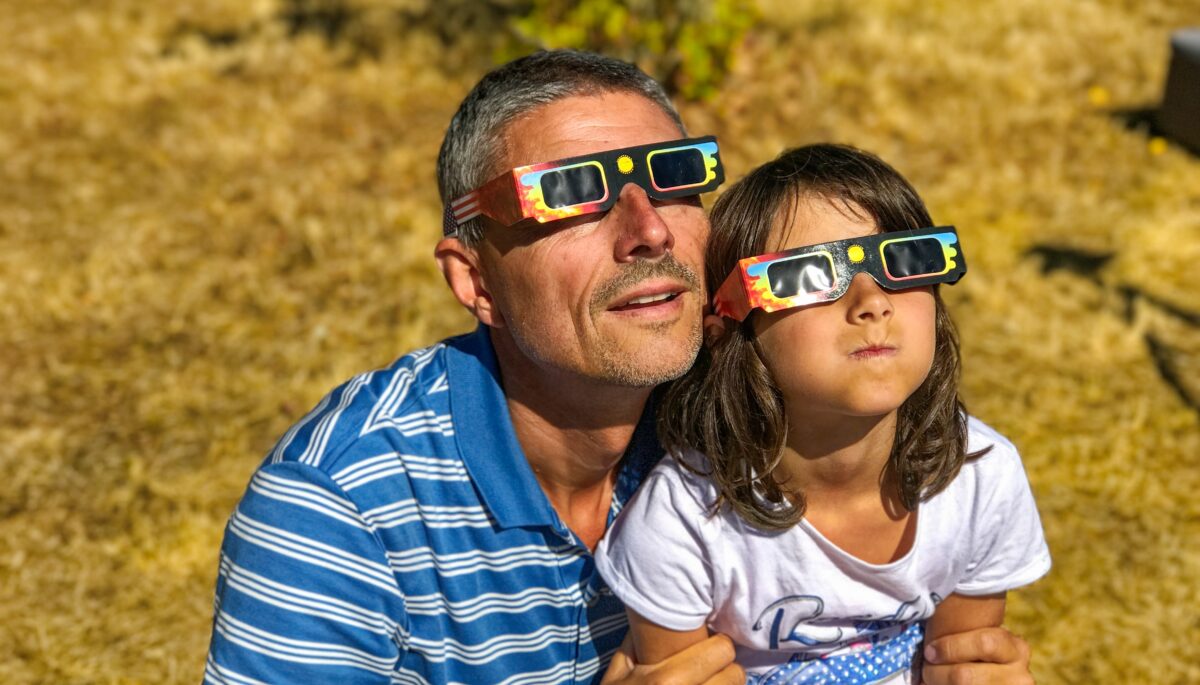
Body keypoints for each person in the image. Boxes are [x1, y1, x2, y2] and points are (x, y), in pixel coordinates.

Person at [205, 50, 1039, 684]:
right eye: (570, 192)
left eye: (673, 179)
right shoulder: (337, 509)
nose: (647, 230)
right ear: (474, 278)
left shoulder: (754, 403)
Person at [593, 144, 1052, 684]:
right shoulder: (684, 521)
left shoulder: (981, 478)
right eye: (808, 275)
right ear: (725, 332)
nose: (871, 300)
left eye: (900, 260)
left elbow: (961, 665)